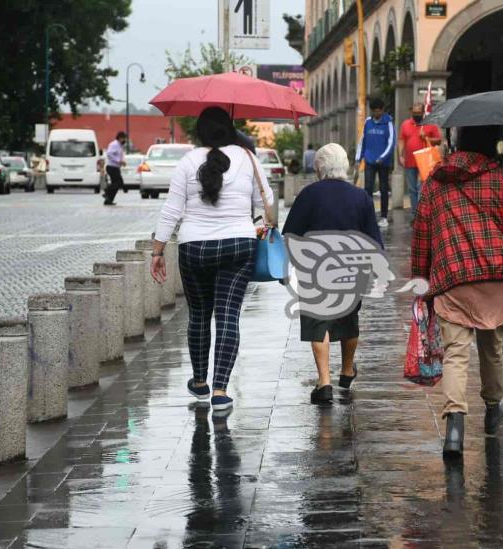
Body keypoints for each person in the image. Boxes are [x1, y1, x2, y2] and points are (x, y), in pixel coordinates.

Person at [411, 125, 503, 457]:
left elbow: (421, 233)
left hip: (453, 276)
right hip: (496, 275)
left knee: (456, 354)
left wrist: (421, 280)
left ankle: (454, 429)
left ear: (456, 142)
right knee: (492, 348)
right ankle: (493, 407)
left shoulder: (435, 183)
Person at [150, 107, 274, 412]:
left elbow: (171, 210)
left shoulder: (188, 161)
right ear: (230, 129)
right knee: (228, 316)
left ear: (200, 132)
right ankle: (221, 390)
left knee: (199, 315)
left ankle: (200, 381)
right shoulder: (248, 158)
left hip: (194, 248)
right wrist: (258, 223)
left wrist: (157, 251)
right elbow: (266, 203)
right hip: (238, 246)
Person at [283, 143, 383, 404]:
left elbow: (290, 234)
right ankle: (347, 370)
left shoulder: (309, 194)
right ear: (345, 166)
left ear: (319, 168)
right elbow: (374, 240)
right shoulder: (361, 196)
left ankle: (324, 382)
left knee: (318, 322)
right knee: (349, 320)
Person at [356, 97, 395, 228]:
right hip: (370, 161)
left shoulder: (388, 122)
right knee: (368, 188)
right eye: (374, 111)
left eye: (379, 111)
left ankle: (383, 216)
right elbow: (362, 141)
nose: (376, 114)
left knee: (384, 189)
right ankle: (368, 215)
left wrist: (382, 157)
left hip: (383, 163)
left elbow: (391, 143)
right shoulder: (368, 122)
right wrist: (358, 158)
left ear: (383, 110)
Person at [398, 103, 441, 219]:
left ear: (423, 112)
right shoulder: (405, 124)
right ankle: (414, 215)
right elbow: (401, 140)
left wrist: (426, 138)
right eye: (414, 113)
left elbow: (438, 141)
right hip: (410, 161)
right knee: (412, 189)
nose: (416, 115)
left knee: (423, 188)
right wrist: (400, 155)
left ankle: (423, 214)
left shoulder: (430, 123)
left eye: (418, 113)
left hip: (425, 161)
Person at [104, 131, 127, 205]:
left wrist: (122, 162)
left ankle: (109, 199)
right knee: (118, 183)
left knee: (116, 184)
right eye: (123, 138)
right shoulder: (114, 144)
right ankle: (107, 191)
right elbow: (109, 154)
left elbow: (119, 155)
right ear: (120, 138)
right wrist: (118, 161)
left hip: (116, 167)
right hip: (111, 167)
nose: (124, 140)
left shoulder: (119, 145)